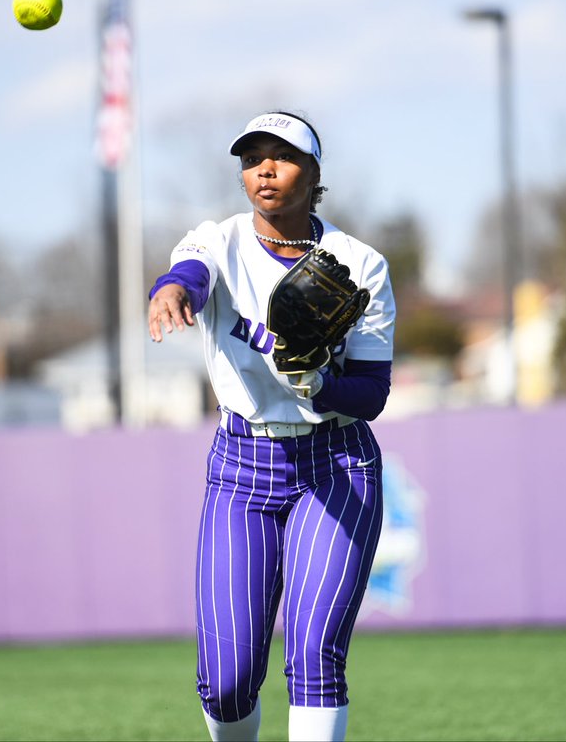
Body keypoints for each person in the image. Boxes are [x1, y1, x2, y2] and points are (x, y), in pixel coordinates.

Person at [147, 111, 396, 742]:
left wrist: (318, 384)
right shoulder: (218, 240)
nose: (264, 167)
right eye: (252, 156)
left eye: (282, 157)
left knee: (314, 657)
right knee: (227, 679)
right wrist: (172, 289)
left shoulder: (358, 264)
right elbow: (191, 273)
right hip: (242, 467)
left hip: (336, 464)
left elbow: (371, 393)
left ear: (315, 177)